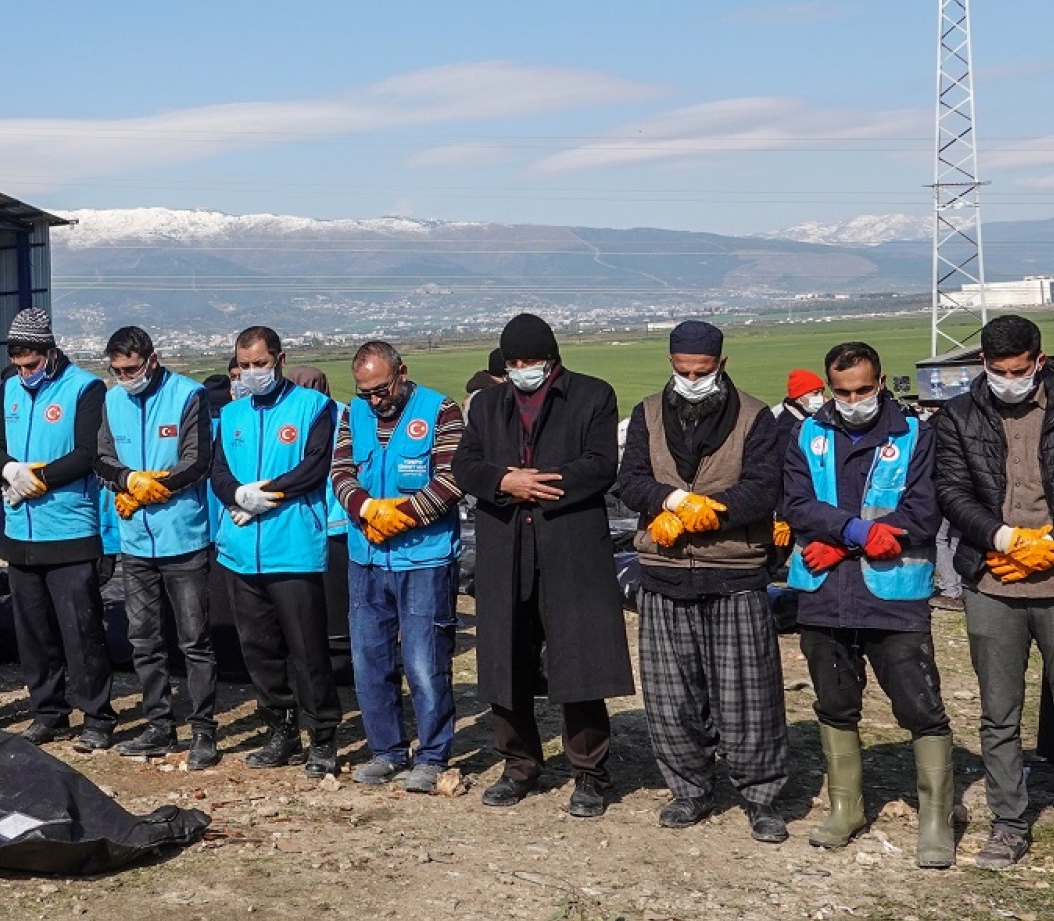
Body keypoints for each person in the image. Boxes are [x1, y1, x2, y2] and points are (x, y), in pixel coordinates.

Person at [615, 321, 790, 842]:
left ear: (722, 364)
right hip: (664, 571)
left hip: (734, 568)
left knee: (748, 692)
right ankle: (689, 788)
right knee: (671, 693)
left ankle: (761, 796)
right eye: (683, 370)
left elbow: (764, 487)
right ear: (670, 363)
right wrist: (669, 501)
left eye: (703, 371)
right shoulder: (647, 414)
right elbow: (630, 480)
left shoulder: (758, 417)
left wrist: (710, 511)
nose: (692, 379)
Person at [781, 340, 952, 867]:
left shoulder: (916, 433)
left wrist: (852, 539)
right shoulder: (806, 433)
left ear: (880, 382)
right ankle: (846, 807)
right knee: (834, 702)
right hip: (824, 593)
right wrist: (852, 530)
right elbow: (795, 502)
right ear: (829, 388)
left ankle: (935, 821)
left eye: (862, 389)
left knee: (918, 705)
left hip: (894, 592)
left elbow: (924, 508)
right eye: (842, 391)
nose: (853, 399)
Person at [453, 313, 632, 818]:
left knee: (579, 660)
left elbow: (601, 464)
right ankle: (519, 766)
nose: (523, 370)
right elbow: (464, 464)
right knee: (506, 657)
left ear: (552, 358)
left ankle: (590, 773)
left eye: (531, 361)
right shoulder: (487, 405)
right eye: (514, 362)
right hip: (505, 545)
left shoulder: (591, 395)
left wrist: (539, 482)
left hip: (569, 544)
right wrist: (503, 483)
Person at [932, 314, 1054, 870]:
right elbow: (951, 488)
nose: (1008, 380)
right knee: (999, 714)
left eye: (1018, 371)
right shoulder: (959, 415)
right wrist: (1001, 536)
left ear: (1040, 362)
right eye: (998, 371)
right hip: (993, 580)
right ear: (983, 365)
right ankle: (1009, 824)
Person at [330, 341, 467, 793]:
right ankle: (386, 751)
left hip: (424, 557)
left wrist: (402, 515)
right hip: (366, 557)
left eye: (381, 389)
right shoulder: (354, 414)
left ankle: (432, 755)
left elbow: (451, 479)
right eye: (365, 391)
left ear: (402, 373)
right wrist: (367, 508)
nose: (375, 400)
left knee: (425, 661)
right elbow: (341, 472)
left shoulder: (441, 411)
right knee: (369, 660)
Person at [0, 309, 118, 750]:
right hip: (21, 531)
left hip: (69, 529)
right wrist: (7, 470)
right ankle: (48, 711)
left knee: (81, 630)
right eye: (19, 365)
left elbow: (85, 454)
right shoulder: (10, 391)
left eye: (32, 364)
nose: (26, 373)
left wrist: (37, 479)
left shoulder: (84, 388)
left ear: (51, 352)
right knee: (33, 631)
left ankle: (97, 714)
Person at [210, 325, 342, 777]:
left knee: (307, 649)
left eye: (259, 364)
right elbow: (219, 472)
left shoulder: (313, 407)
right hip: (241, 549)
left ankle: (322, 736)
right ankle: (279, 728)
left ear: (279, 360)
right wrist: (237, 496)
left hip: (294, 546)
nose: (251, 373)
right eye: (244, 366)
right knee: (258, 648)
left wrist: (269, 494)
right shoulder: (231, 416)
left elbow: (315, 465)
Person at [95, 326, 220, 766]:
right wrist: (126, 480)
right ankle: (158, 726)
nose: (125, 377)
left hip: (182, 537)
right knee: (143, 639)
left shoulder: (189, 395)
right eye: (117, 370)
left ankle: (204, 729)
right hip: (134, 541)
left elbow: (197, 460)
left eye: (131, 368)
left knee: (193, 640)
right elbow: (103, 457)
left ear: (151, 358)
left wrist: (157, 485)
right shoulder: (112, 400)